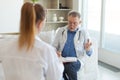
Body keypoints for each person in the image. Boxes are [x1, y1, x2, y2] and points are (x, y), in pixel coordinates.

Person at [0, 2, 64, 80]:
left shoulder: (4, 46)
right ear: (40, 23)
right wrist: (59, 64)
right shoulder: (46, 51)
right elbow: (55, 78)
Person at [53, 11, 93, 80]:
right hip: (62, 59)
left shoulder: (84, 32)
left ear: (80, 22)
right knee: (58, 66)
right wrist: (56, 52)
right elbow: (54, 46)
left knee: (69, 67)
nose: (71, 25)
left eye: (75, 23)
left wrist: (88, 49)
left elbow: (90, 53)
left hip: (77, 61)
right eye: (70, 22)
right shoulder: (61, 31)